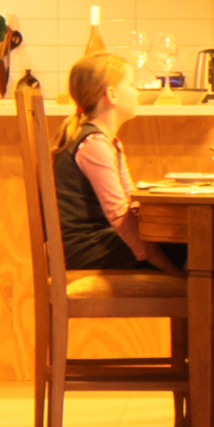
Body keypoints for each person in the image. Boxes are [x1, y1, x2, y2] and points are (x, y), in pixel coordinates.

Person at [48, 53, 144, 273]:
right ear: (111, 94)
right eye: (130, 84)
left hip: (95, 243)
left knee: (188, 244)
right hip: (84, 249)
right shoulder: (93, 144)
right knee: (194, 249)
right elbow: (119, 215)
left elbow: (129, 201)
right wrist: (158, 258)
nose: (137, 92)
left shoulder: (109, 142)